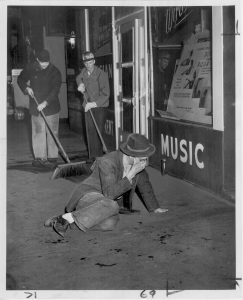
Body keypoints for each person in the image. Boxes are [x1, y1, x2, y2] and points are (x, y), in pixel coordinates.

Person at [44, 133, 168, 237]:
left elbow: (145, 185)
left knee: (110, 223)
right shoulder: (108, 162)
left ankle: (63, 219)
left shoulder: (138, 165)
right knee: (112, 205)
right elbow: (109, 195)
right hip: (88, 196)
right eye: (143, 158)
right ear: (131, 155)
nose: (145, 162)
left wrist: (155, 208)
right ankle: (67, 218)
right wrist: (130, 175)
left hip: (103, 204)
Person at [17, 49, 62, 168]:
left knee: (52, 133)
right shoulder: (31, 68)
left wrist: (45, 103)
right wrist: (27, 88)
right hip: (36, 107)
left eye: (47, 63)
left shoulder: (55, 71)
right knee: (38, 132)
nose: (45, 65)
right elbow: (20, 79)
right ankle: (40, 158)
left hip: (51, 106)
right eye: (42, 63)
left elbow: (55, 90)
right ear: (37, 60)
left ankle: (52, 158)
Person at [76, 51, 110, 158]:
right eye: (86, 63)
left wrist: (93, 104)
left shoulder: (101, 74)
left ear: (94, 61)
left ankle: (98, 158)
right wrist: (80, 84)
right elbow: (78, 78)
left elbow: (106, 94)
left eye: (90, 62)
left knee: (98, 132)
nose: (88, 65)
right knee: (90, 133)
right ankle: (92, 158)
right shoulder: (84, 72)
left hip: (99, 107)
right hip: (87, 106)